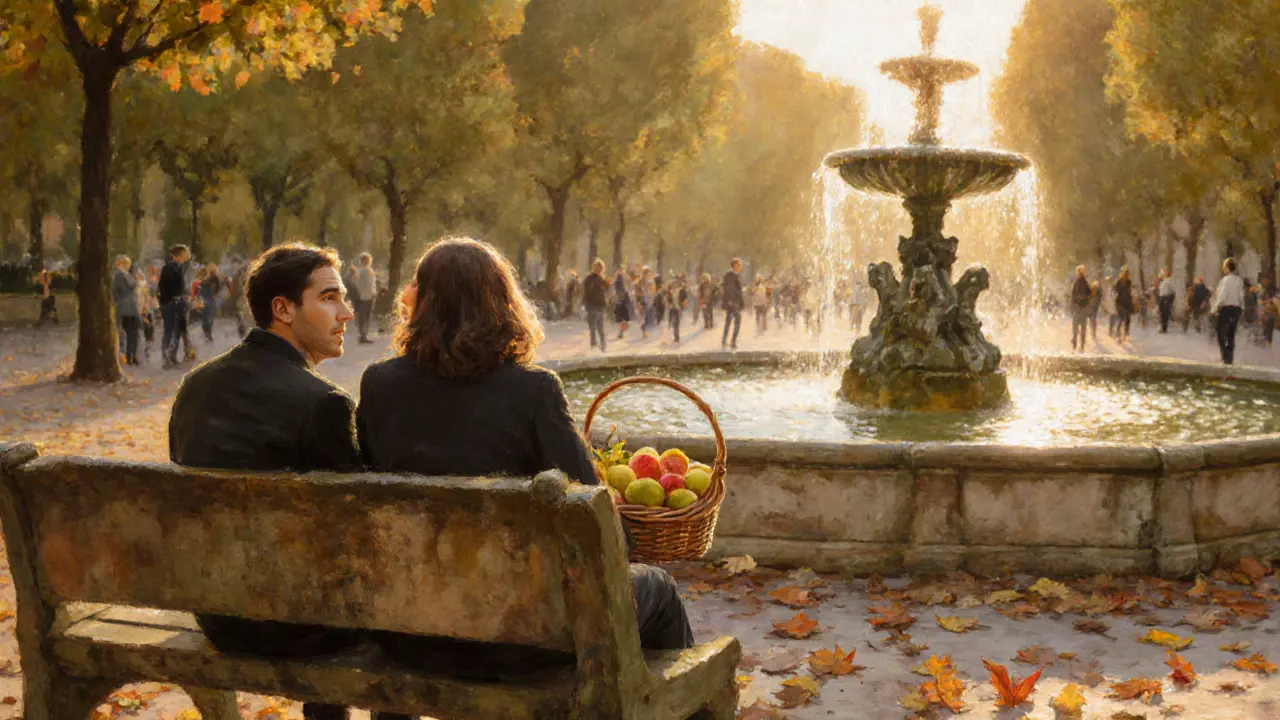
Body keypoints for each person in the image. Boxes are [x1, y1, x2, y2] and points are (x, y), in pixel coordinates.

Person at [356, 237, 694, 698]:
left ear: (423, 304)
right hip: (520, 638)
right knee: (660, 588)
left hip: (409, 633)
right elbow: (598, 523)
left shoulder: (379, 385)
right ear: (501, 303)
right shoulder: (533, 391)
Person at [169, 243, 369, 720]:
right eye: (329, 298)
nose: (347, 313)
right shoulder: (324, 403)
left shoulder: (196, 386)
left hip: (216, 612)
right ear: (282, 309)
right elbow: (356, 531)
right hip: (296, 623)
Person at [158, 245, 192, 368]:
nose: (188, 254)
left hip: (179, 303)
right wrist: (174, 298)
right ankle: (166, 358)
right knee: (169, 330)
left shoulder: (179, 267)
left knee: (177, 330)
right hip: (171, 303)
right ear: (180, 254)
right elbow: (164, 287)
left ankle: (172, 356)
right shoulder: (169, 267)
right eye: (186, 252)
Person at [1212, 257, 1244, 365]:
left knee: (1221, 334)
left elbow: (1222, 295)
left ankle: (1225, 357)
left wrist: (1216, 307)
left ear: (1226, 267)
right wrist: (1241, 308)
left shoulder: (1225, 280)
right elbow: (1241, 296)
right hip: (1236, 309)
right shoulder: (1239, 280)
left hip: (1225, 308)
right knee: (1231, 334)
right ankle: (1230, 359)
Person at [112, 255, 141, 366]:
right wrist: (134, 280)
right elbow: (129, 286)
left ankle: (132, 355)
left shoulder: (124, 274)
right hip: (125, 307)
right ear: (121, 264)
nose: (128, 266)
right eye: (127, 264)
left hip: (130, 307)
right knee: (130, 332)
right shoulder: (119, 275)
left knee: (133, 333)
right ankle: (129, 356)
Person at [583, 258, 609, 351]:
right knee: (596, 327)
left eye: (601, 268)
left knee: (596, 327)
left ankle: (599, 346)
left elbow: (606, 290)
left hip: (597, 305)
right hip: (594, 305)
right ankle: (600, 346)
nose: (600, 269)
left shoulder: (597, 278)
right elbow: (586, 292)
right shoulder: (595, 279)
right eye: (599, 267)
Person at [353, 252, 378, 344]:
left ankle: (363, 335)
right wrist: (366, 292)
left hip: (367, 296)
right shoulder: (363, 271)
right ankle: (363, 335)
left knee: (364, 316)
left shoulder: (367, 270)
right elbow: (360, 283)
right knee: (364, 316)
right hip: (365, 297)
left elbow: (371, 283)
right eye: (367, 259)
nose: (369, 261)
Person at [721, 258, 744, 349]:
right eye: (738, 265)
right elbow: (731, 290)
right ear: (734, 265)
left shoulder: (732, 275)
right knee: (737, 321)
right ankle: (732, 341)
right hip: (733, 302)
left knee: (729, 321)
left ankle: (725, 340)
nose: (739, 267)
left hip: (732, 302)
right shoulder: (731, 275)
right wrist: (733, 301)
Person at [198, 264, 223, 342]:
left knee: (208, 317)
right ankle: (207, 333)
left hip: (209, 299)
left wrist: (214, 294)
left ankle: (208, 333)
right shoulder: (205, 277)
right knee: (205, 317)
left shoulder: (214, 278)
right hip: (204, 299)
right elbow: (200, 288)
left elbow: (219, 287)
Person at [1069, 265, 1091, 351]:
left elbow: (1073, 296)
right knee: (1082, 326)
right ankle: (1080, 345)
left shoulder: (1079, 282)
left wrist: (1077, 301)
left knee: (1076, 325)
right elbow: (1089, 293)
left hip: (1080, 307)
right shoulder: (1084, 282)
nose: (1080, 274)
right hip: (1083, 306)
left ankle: (1076, 343)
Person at [1113, 266, 1134, 341]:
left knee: (1127, 319)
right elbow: (1114, 292)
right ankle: (1118, 335)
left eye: (1127, 273)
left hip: (1127, 302)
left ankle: (1126, 334)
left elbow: (1130, 292)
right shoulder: (1118, 281)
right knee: (1121, 318)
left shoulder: (1129, 282)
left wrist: (1132, 300)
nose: (1126, 274)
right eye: (1124, 272)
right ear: (1121, 273)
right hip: (1119, 302)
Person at [668, 273, 688, 344]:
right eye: (676, 280)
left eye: (678, 280)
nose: (676, 282)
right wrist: (669, 303)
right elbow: (669, 298)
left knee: (676, 323)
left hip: (678, 308)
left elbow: (685, 298)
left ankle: (676, 338)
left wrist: (684, 304)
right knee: (671, 323)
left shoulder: (682, 289)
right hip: (672, 307)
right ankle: (673, 337)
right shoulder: (671, 289)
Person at [613, 268, 632, 338]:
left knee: (622, 321)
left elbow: (629, 282)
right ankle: (621, 332)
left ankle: (621, 332)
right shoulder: (620, 287)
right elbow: (629, 281)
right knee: (622, 321)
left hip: (622, 304)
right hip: (621, 304)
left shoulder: (618, 286)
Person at [1157, 268, 1177, 333]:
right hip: (1161, 298)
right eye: (1163, 272)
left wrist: (1170, 301)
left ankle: (1164, 329)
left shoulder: (1170, 281)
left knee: (1165, 314)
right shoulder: (1163, 281)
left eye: (1165, 272)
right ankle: (1162, 327)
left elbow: (1173, 291)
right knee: (1161, 313)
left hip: (1166, 298)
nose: (1163, 273)